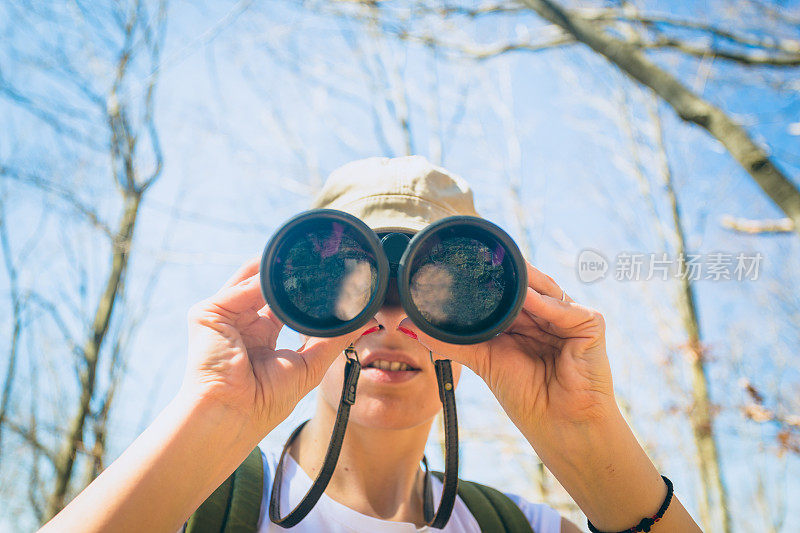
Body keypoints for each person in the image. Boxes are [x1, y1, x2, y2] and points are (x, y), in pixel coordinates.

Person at [40, 156, 701, 533]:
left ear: (489, 315)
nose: (391, 314)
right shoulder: (191, 505)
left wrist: (587, 432)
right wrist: (212, 410)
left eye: (437, 289)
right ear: (300, 305)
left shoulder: (518, 530)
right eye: (349, 281)